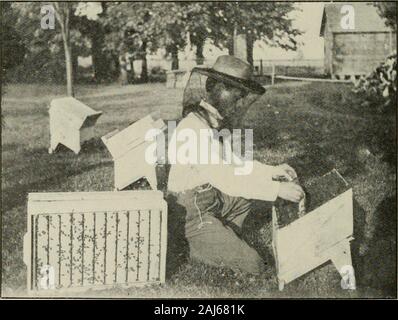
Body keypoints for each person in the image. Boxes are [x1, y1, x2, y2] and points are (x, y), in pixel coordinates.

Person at [167, 55, 304, 274]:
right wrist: (277, 189)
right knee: (255, 265)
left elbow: (233, 163)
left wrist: (271, 172)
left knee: (248, 195)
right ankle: (193, 243)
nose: (237, 101)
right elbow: (226, 178)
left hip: (214, 199)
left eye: (240, 95)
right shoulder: (192, 129)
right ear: (213, 87)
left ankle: (217, 237)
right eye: (232, 92)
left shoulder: (209, 122)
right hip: (190, 213)